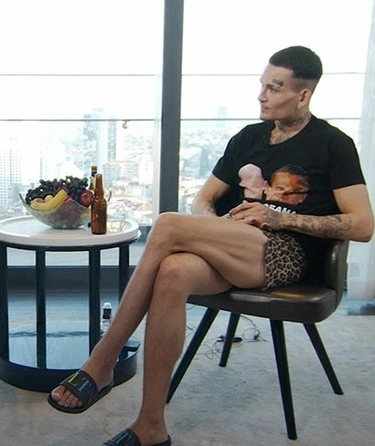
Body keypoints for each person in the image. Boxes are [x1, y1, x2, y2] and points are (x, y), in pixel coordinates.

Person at [47, 45, 374, 446]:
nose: (261, 95)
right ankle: (151, 427)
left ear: (303, 95)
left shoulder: (333, 144)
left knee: (167, 224)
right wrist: (213, 229)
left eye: (274, 87)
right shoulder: (248, 138)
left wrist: (279, 218)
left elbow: (363, 225)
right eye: (262, 84)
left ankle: (103, 360)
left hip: (287, 254)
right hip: (234, 244)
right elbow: (204, 199)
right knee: (173, 271)